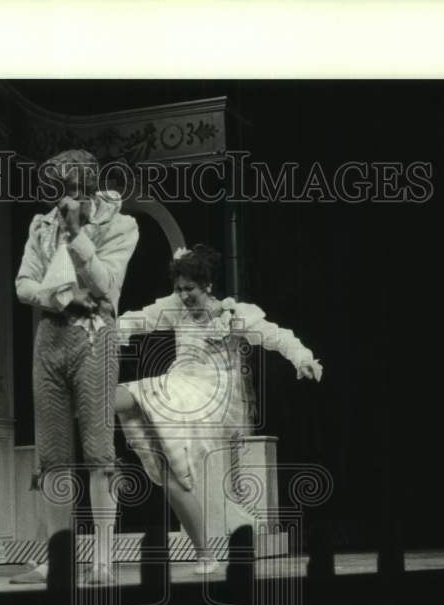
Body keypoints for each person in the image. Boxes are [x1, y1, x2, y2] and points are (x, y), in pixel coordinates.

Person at [115, 243, 322, 574]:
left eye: (190, 289)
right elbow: (138, 320)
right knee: (168, 469)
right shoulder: (175, 308)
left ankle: (205, 554)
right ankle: (205, 554)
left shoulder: (232, 314)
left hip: (212, 395)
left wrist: (303, 359)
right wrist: (106, 332)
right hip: (179, 383)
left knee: (142, 416)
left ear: (207, 285)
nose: (183, 295)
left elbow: (276, 336)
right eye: (179, 289)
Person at [12, 149, 139, 585]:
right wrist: (63, 297)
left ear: (90, 184)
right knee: (51, 454)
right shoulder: (40, 225)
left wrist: (77, 232)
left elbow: (106, 284)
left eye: (74, 186)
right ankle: (57, 558)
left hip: (94, 336)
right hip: (50, 337)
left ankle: (103, 559)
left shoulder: (121, 224)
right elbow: (24, 283)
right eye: (60, 188)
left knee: (99, 450)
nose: (65, 197)